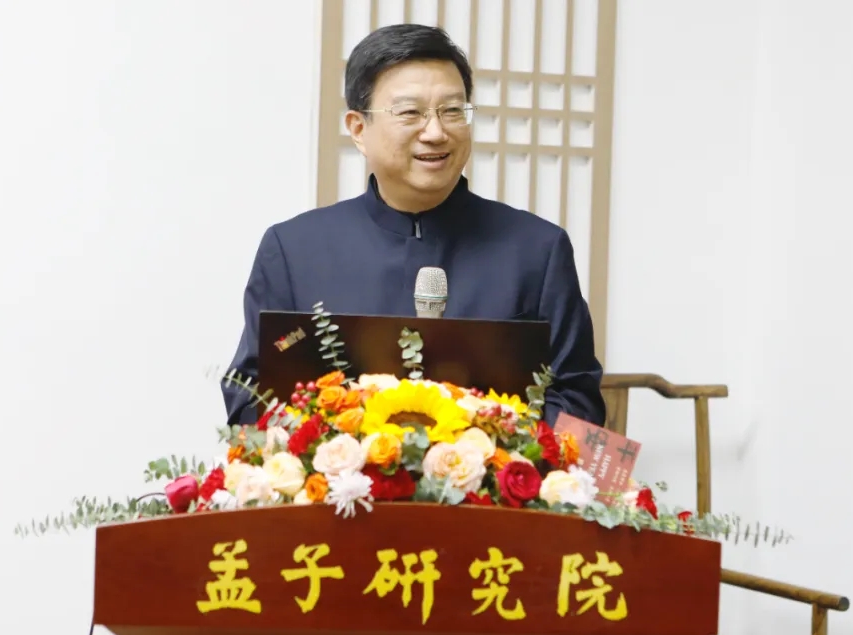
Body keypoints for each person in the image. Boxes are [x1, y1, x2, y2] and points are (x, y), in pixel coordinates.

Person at [222, 23, 605, 428]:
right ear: (358, 129)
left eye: (452, 110)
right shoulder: (293, 250)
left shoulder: (537, 249)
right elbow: (251, 399)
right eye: (410, 112)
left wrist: (492, 446)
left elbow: (577, 400)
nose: (436, 132)